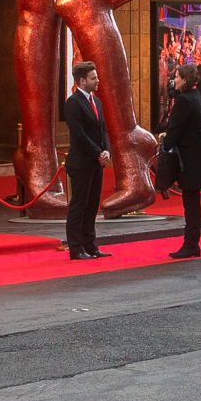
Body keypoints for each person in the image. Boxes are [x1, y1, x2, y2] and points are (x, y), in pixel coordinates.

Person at [163, 65, 201, 259]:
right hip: (197, 154)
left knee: (191, 204)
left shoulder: (184, 100)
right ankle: (192, 243)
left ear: (184, 80)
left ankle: (191, 243)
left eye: (176, 77)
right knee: (192, 202)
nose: (174, 80)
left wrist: (163, 144)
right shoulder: (194, 95)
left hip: (191, 158)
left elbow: (174, 130)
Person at [64, 62, 111, 260]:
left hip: (96, 162)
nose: (97, 80)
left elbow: (103, 129)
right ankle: (76, 247)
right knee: (79, 206)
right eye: (93, 78)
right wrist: (98, 153)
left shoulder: (97, 101)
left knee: (92, 205)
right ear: (82, 81)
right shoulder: (73, 103)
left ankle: (90, 245)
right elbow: (79, 135)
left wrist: (107, 150)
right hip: (82, 162)